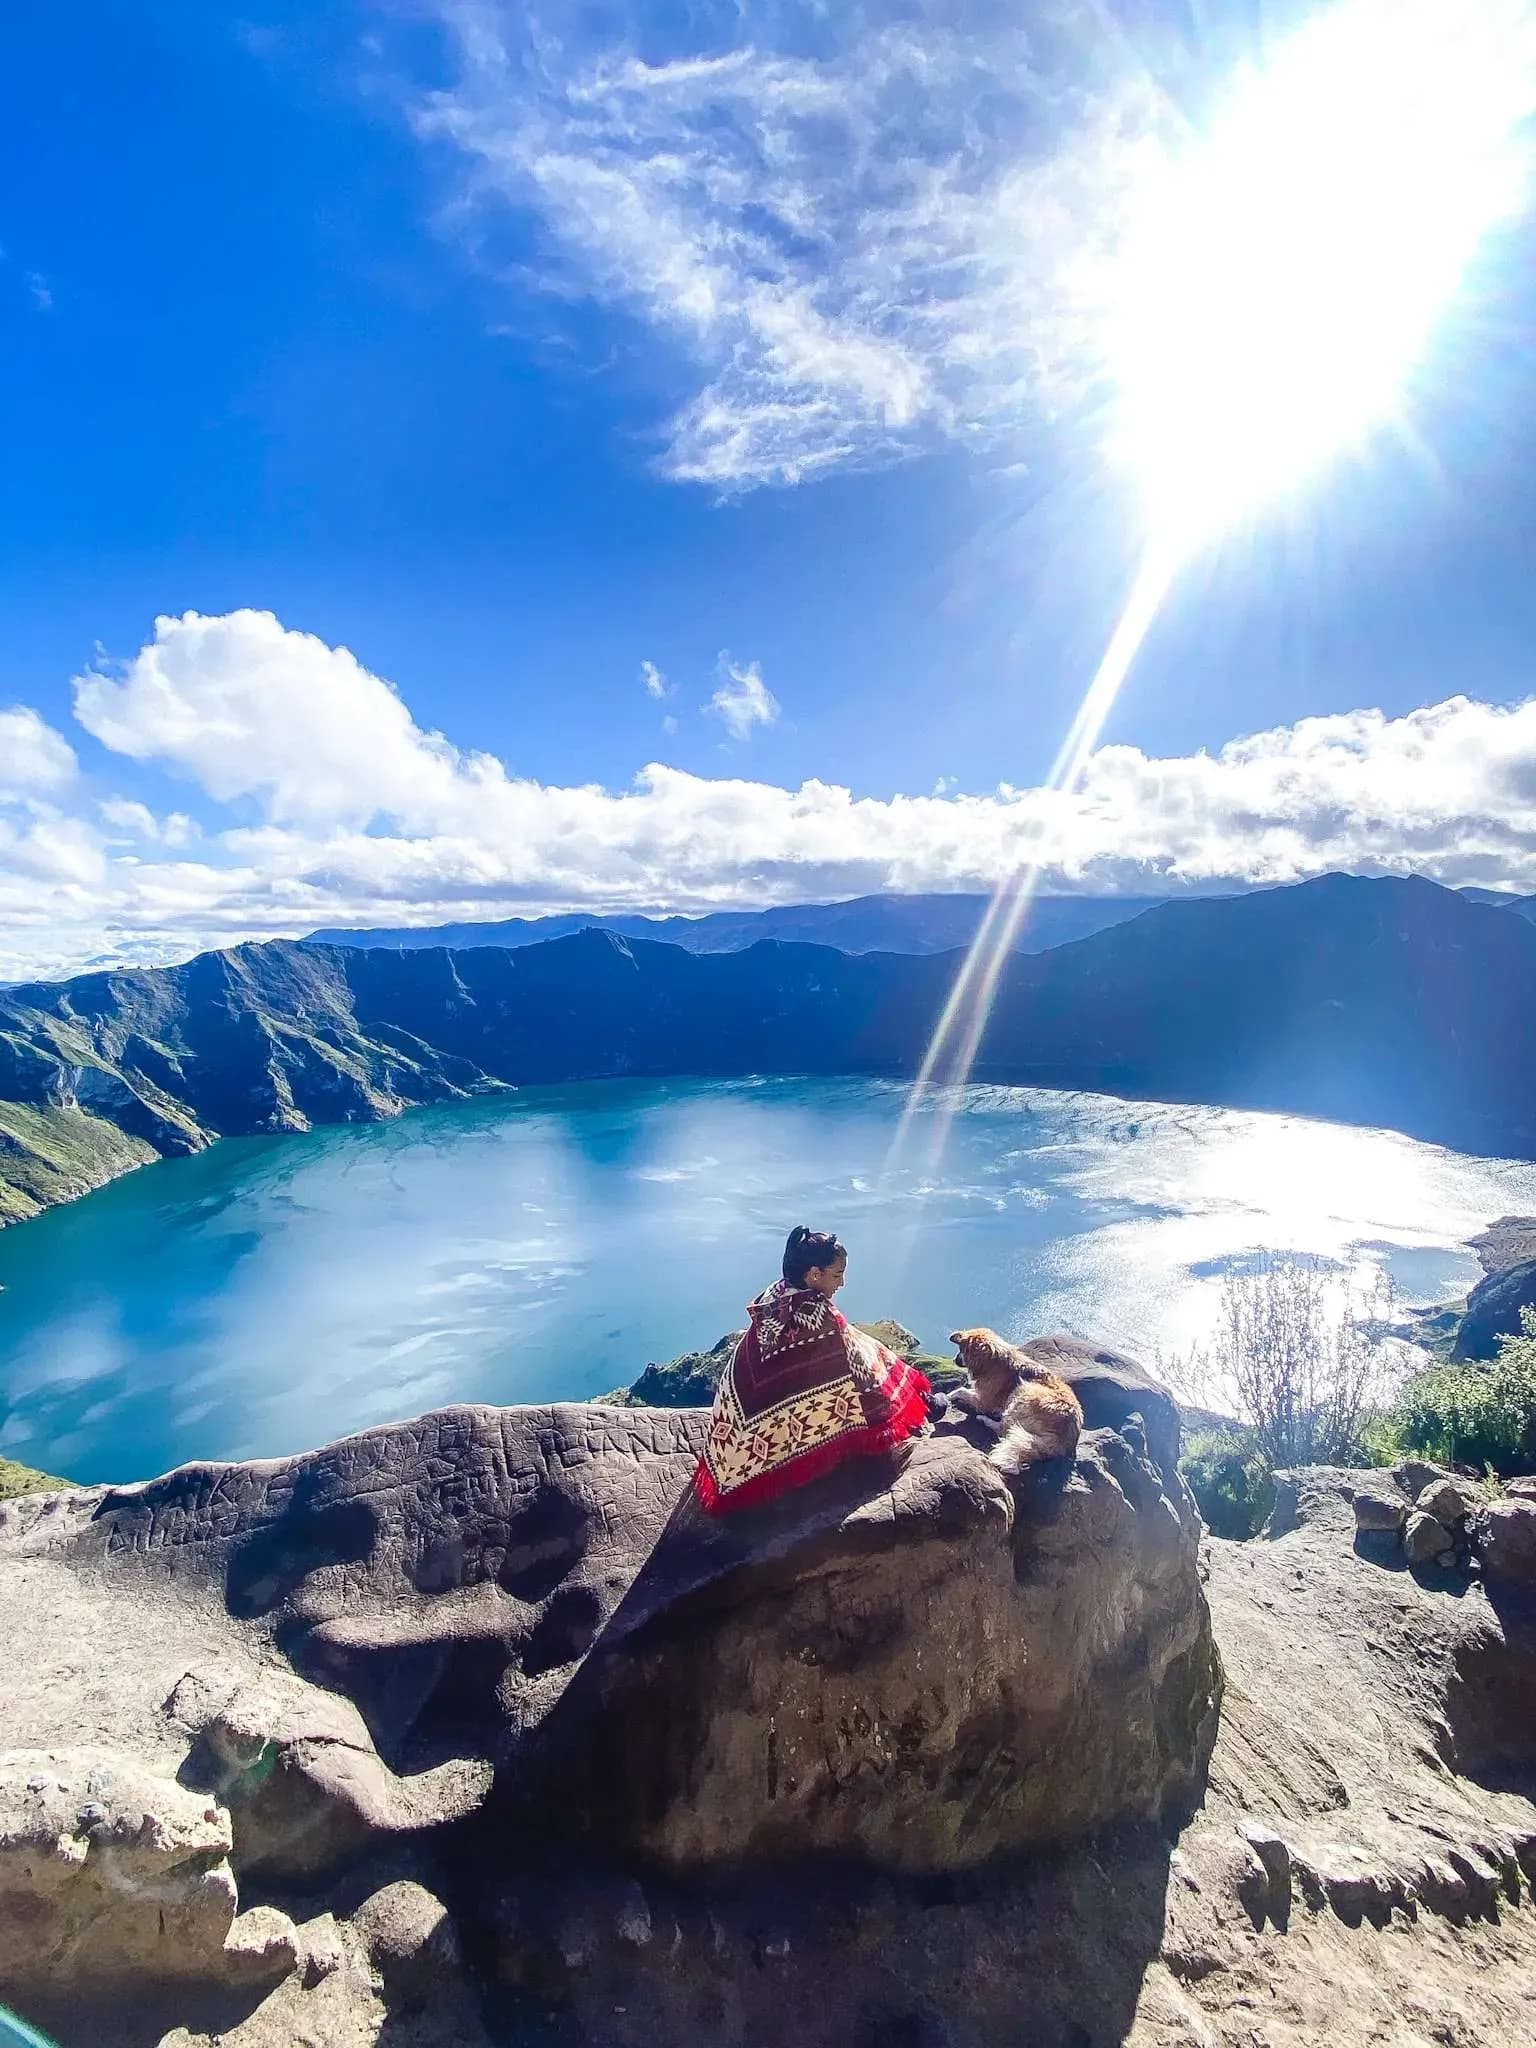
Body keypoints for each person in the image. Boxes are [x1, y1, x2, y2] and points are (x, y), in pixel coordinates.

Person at [693, 1225, 932, 1514]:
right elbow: (858, 1364)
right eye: (837, 1274)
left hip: (737, 1425)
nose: (842, 1283)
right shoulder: (817, 1315)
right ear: (814, 1274)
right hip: (775, 1423)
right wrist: (895, 1396)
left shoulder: (777, 1293)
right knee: (863, 1375)